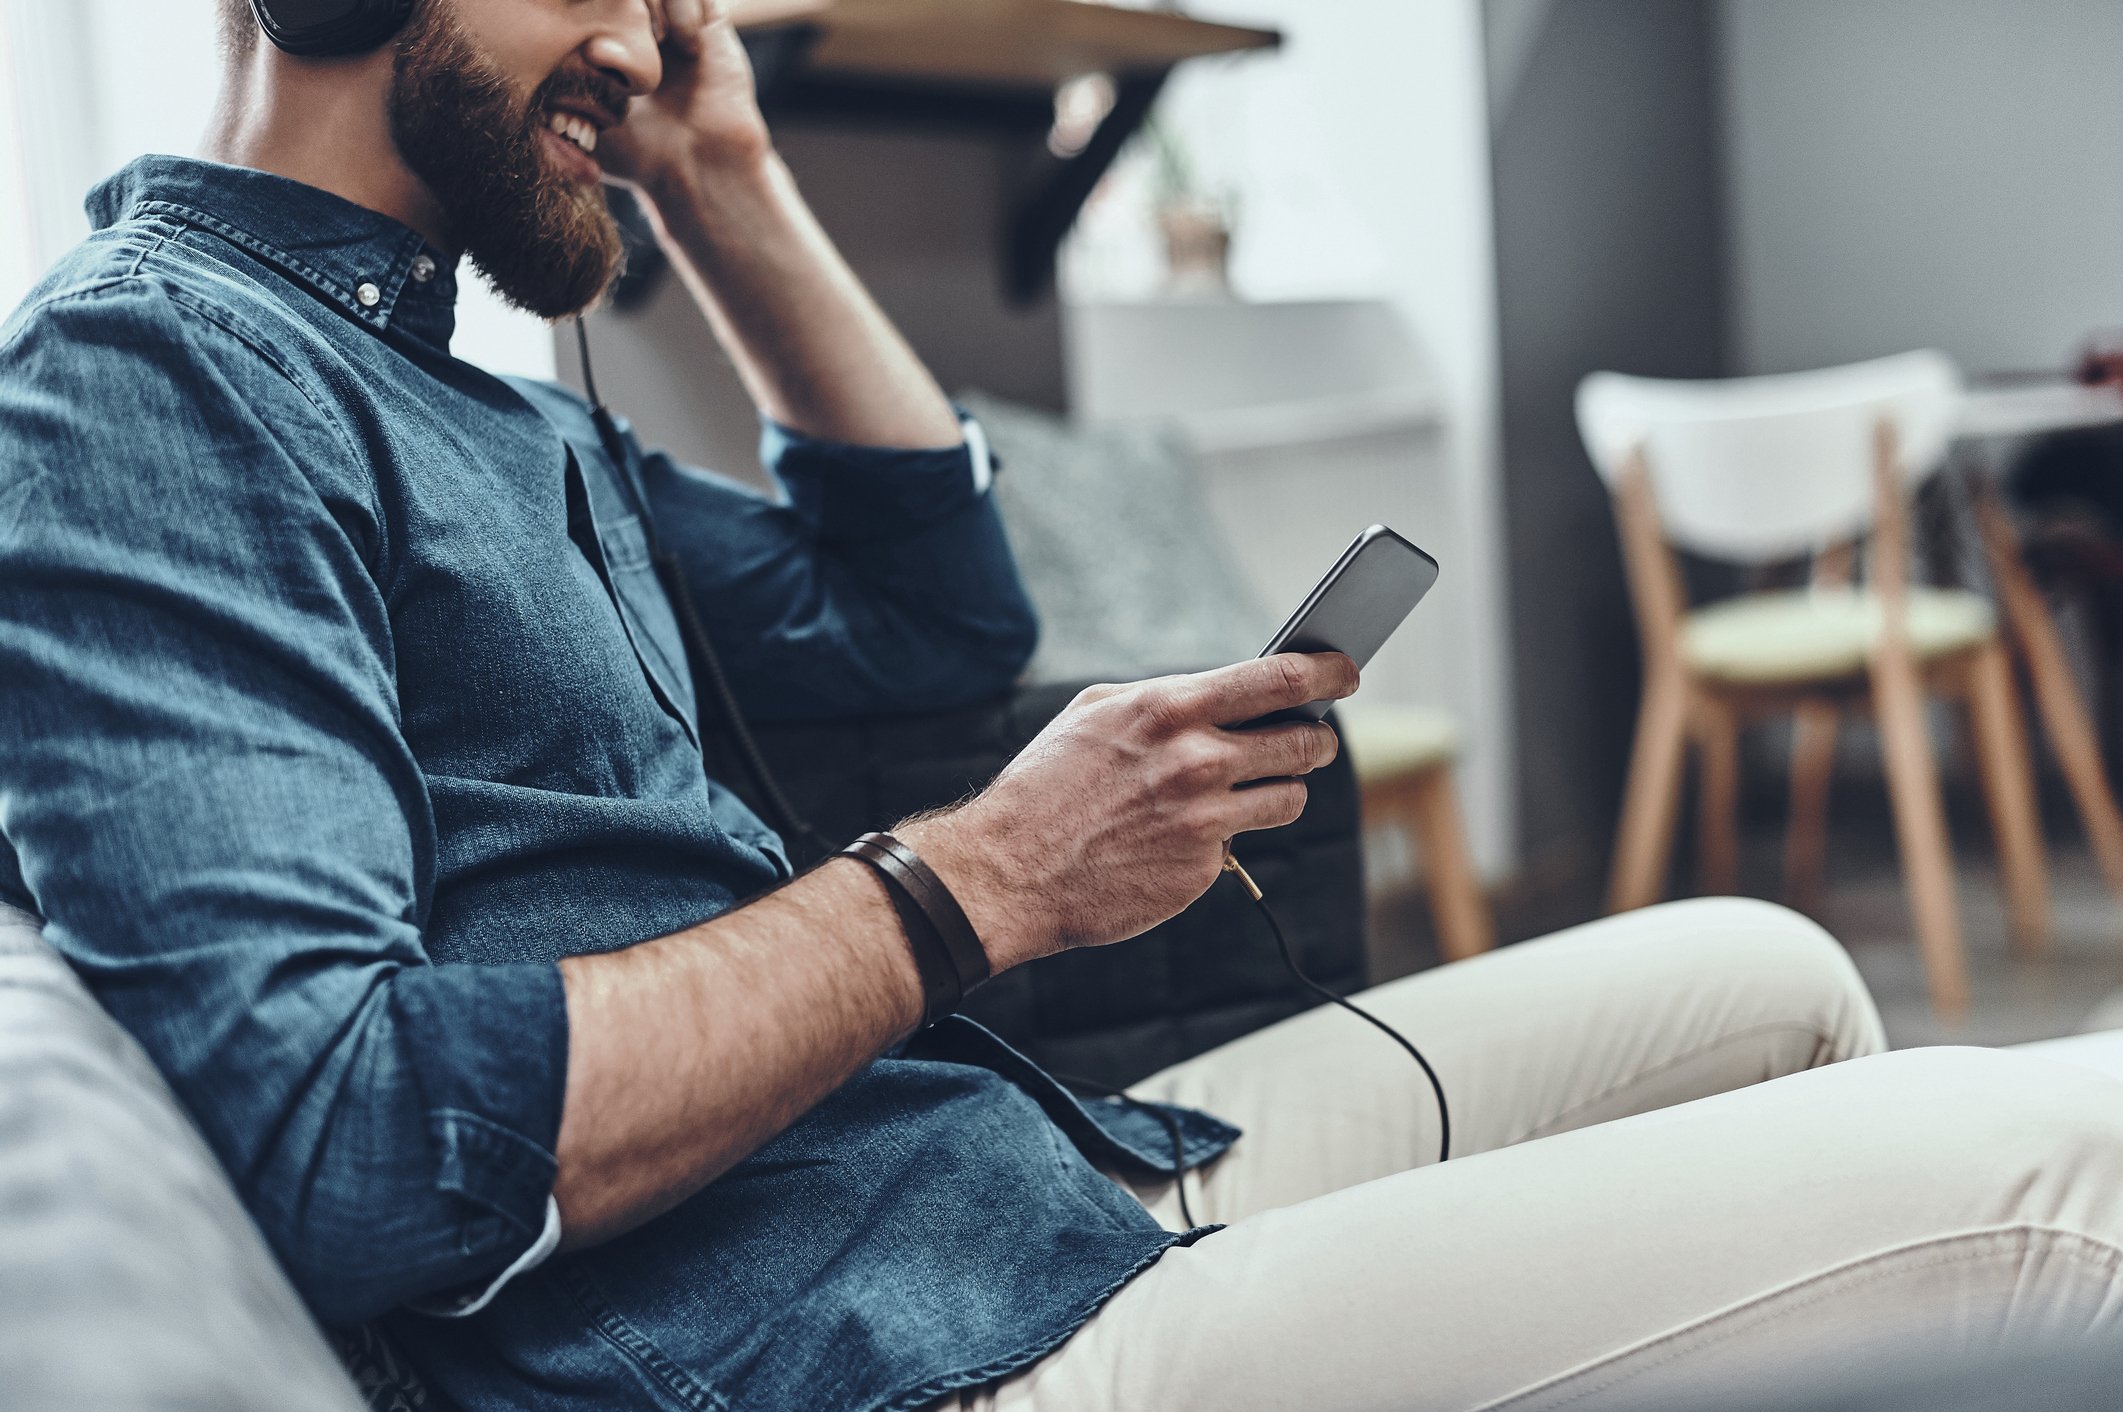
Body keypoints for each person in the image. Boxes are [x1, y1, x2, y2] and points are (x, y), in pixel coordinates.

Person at [4, 2, 2123, 1409]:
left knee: (1767, 973)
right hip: (867, 1357)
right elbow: (348, 1136)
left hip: (991, 1196)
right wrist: (980, 884)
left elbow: (932, 613)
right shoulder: (152, 377)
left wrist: (726, 181)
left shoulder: (480, 411)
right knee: (2069, 1162)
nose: (644, 43)